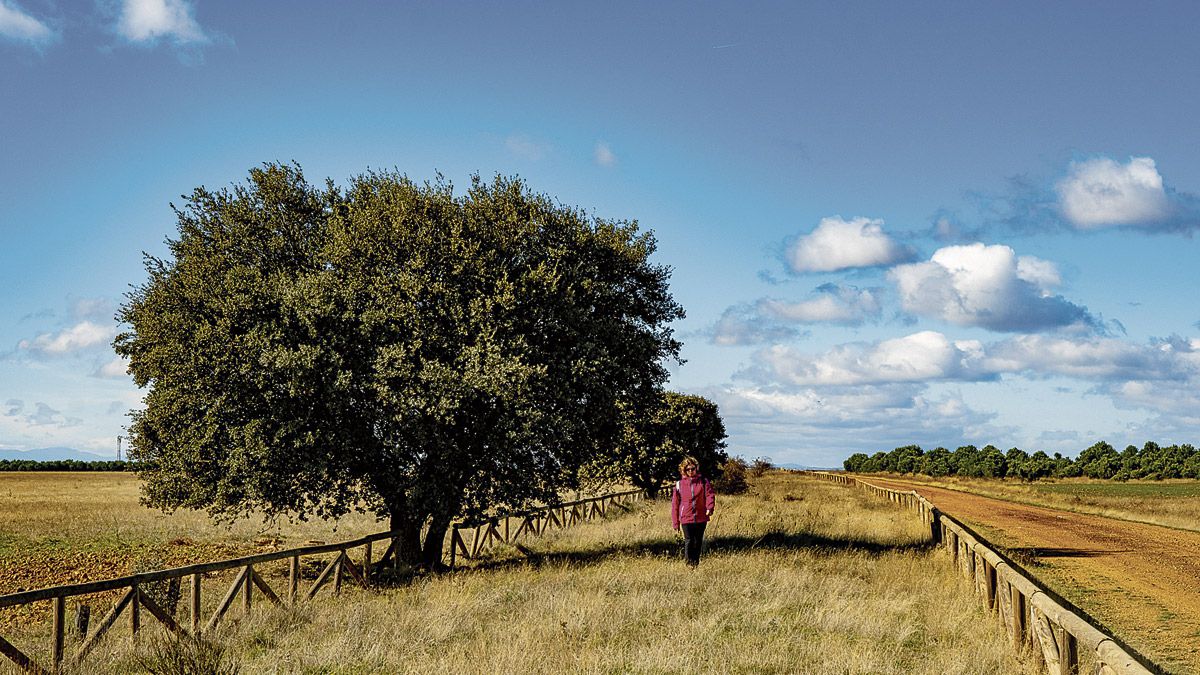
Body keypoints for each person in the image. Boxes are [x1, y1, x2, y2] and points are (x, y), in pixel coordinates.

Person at [671, 455, 715, 568]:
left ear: (696, 468)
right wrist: (675, 523)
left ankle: (695, 563)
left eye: (693, 468)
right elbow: (675, 505)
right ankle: (688, 563)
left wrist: (709, 507)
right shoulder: (679, 485)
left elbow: (710, 495)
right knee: (689, 540)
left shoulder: (703, 482)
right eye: (688, 469)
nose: (690, 471)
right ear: (684, 470)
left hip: (701, 517)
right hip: (686, 517)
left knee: (698, 541)